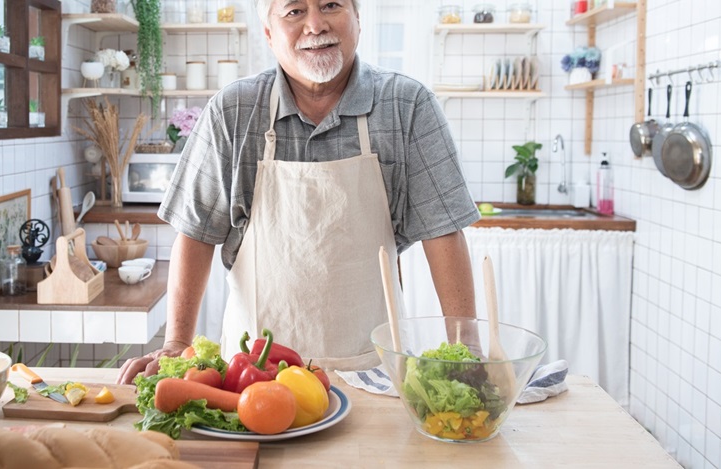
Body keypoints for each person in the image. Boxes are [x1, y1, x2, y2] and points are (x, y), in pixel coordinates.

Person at [117, 0, 479, 385]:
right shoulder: (233, 111)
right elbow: (195, 234)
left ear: (358, 17)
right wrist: (176, 343)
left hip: (374, 373)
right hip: (253, 379)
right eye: (294, 11)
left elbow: (443, 232)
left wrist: (468, 348)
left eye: (331, 5)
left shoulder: (407, 106)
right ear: (269, 33)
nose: (315, 25)